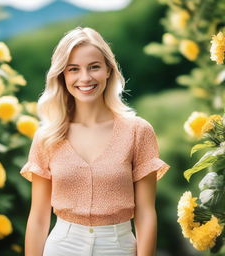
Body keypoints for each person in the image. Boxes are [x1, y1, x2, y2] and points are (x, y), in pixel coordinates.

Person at [20, 26, 170, 256]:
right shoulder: (47, 137)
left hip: (118, 247)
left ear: (108, 70)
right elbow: (39, 217)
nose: (85, 78)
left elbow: (146, 213)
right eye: (73, 69)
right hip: (62, 247)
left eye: (94, 67)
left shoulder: (138, 131)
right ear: (62, 75)